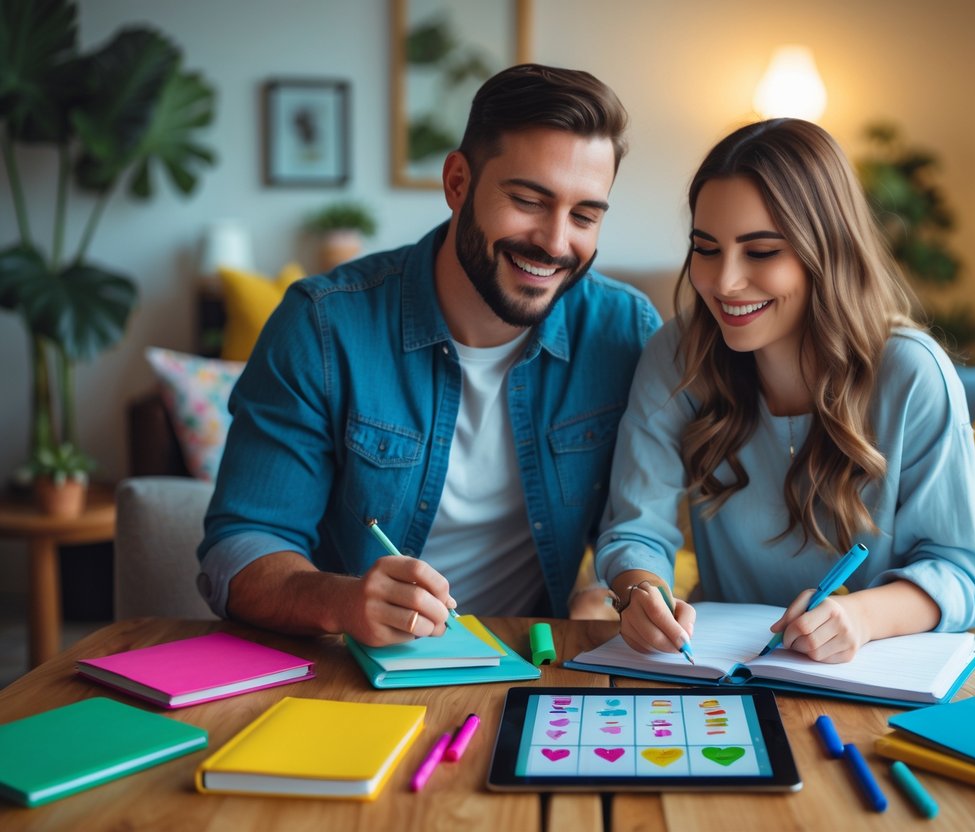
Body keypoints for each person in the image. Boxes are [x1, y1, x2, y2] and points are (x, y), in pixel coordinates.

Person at [197, 64, 660, 646]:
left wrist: (620, 591)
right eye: (528, 200)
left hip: (530, 660)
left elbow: (641, 521)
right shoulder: (321, 326)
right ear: (458, 182)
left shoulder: (624, 330)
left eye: (585, 215)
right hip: (352, 667)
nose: (555, 241)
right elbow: (240, 548)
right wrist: (343, 601)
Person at [595, 118, 975, 663]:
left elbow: (961, 574)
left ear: (826, 251)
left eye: (760, 252)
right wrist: (641, 591)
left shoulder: (913, 373)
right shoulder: (677, 355)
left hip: (869, 670)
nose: (723, 281)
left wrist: (862, 617)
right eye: (706, 248)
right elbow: (637, 526)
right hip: (716, 669)